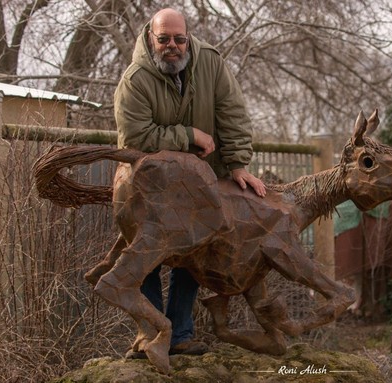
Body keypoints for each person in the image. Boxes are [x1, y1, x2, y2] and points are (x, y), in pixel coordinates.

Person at [114, 8, 266, 357]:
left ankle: (180, 333)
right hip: (149, 188)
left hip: (199, 184)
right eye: (164, 38)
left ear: (188, 38)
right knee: (147, 255)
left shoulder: (211, 62)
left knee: (198, 250)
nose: (172, 46)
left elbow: (233, 113)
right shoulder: (135, 80)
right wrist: (188, 135)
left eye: (179, 39)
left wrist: (238, 164)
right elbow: (135, 137)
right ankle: (152, 334)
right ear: (151, 37)